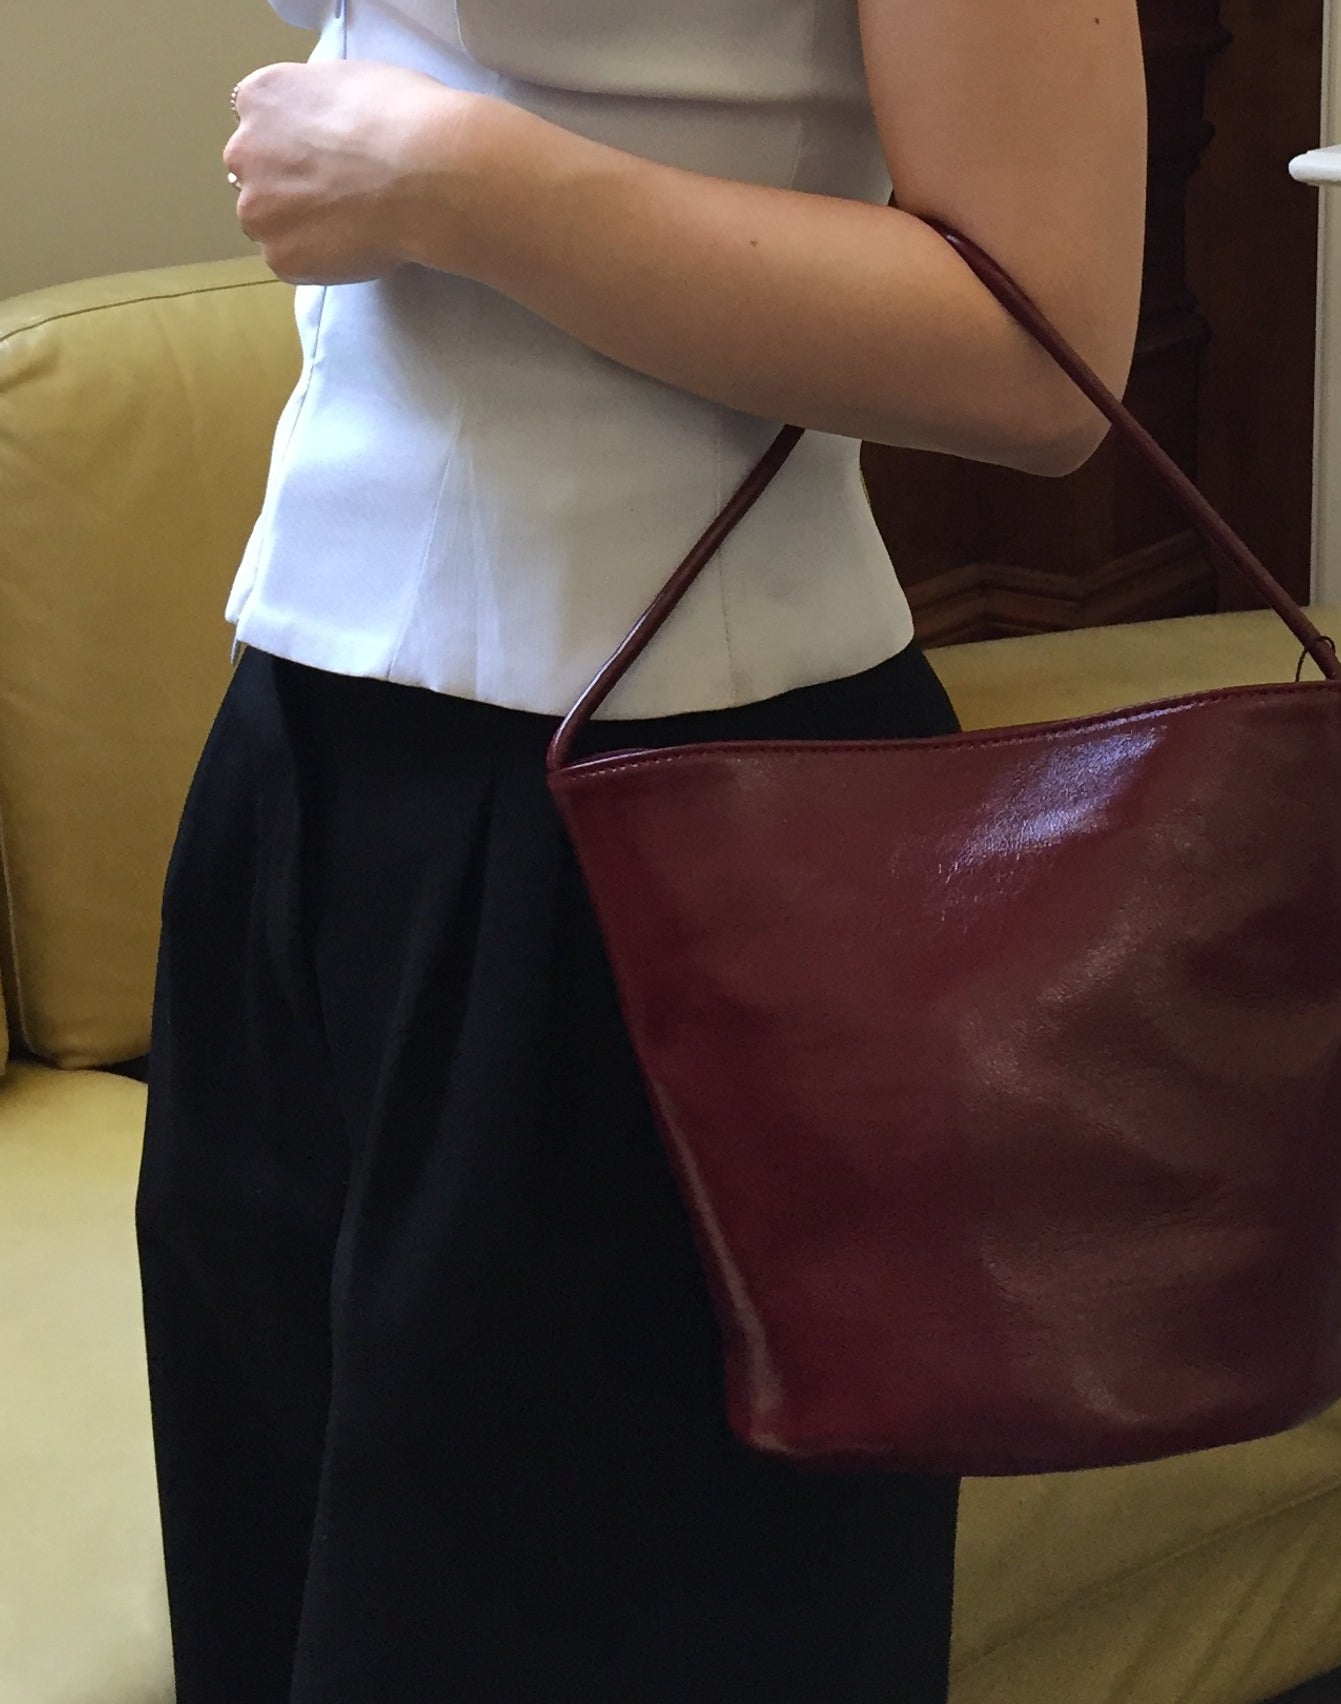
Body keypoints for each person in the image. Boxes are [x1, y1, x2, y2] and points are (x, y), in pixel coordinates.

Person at [132, 0, 1148, 1698]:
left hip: (677, 831)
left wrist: (456, 179)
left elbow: (1042, 356)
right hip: (300, 763)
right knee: (275, 1596)